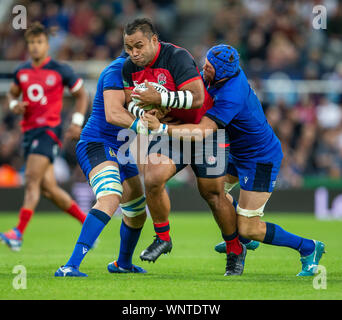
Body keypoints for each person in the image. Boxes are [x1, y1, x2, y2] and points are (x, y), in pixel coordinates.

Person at [143, 44, 326, 276]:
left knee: (249, 227)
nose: (203, 68)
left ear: (220, 72)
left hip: (259, 158)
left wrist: (160, 127)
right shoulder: (216, 76)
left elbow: (202, 132)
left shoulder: (232, 94)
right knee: (215, 193)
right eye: (205, 63)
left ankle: (308, 247)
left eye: (208, 67)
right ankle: (239, 235)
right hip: (238, 152)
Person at [122, 18, 246, 276]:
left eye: (138, 46)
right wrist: (143, 113)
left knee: (212, 194)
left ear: (154, 40)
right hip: (168, 132)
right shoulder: (128, 69)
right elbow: (129, 102)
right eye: (128, 48)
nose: (133, 53)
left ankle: (235, 249)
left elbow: (197, 97)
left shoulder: (177, 57)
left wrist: (158, 98)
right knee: (153, 178)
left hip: (203, 130)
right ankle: (163, 237)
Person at [55, 50, 148, 277]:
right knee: (110, 196)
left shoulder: (142, 74)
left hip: (122, 150)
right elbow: (113, 114)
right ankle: (70, 266)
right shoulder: (116, 71)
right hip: (96, 143)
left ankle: (122, 264)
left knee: (137, 211)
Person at [0, 22, 88, 252]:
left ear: (47, 45)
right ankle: (88, 224)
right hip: (28, 133)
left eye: (39, 42)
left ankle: (18, 233)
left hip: (49, 131)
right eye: (31, 43)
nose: (35, 47)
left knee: (31, 180)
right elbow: (11, 94)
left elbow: (82, 95)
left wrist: (77, 121)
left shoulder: (61, 70)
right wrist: (13, 105)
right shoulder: (22, 71)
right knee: (48, 188)